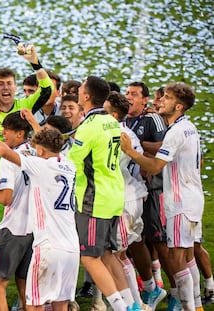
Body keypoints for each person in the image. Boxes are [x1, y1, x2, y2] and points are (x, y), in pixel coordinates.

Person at [0, 43, 53, 305]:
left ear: (15, 87)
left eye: (10, 83)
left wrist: (35, 63)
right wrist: (10, 150)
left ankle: (16, 296)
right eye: (1, 84)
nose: (6, 88)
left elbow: (47, 90)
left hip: (18, 190)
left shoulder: (22, 105)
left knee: (18, 247)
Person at [0, 125, 80, 311]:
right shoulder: (70, 166)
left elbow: (4, 152)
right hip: (71, 248)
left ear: (40, 150)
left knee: (34, 305)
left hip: (48, 246)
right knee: (60, 305)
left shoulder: (40, 165)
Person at [121, 82, 204, 311]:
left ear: (178, 106)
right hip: (193, 197)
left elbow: (156, 166)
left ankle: (189, 307)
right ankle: (196, 307)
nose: (160, 101)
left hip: (181, 202)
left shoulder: (176, 131)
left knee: (178, 260)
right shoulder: (189, 127)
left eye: (166, 97)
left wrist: (130, 151)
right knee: (187, 258)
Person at [67, 76, 127, 311]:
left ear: (86, 97)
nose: (78, 91)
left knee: (90, 257)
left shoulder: (89, 127)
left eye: (81, 89)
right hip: (113, 195)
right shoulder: (112, 122)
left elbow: (71, 163)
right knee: (108, 255)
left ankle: (120, 307)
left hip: (95, 199)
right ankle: (131, 305)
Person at [104, 92, 153, 310]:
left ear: (113, 114)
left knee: (117, 256)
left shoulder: (111, 133)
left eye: (102, 111)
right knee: (120, 255)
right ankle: (136, 303)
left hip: (122, 200)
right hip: (131, 195)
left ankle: (135, 304)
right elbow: (137, 164)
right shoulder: (129, 134)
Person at [125, 82, 170, 306]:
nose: (129, 97)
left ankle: (180, 292)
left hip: (154, 188)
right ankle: (151, 286)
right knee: (135, 240)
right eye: (127, 93)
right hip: (136, 190)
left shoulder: (151, 119)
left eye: (134, 94)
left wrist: (136, 144)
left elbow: (165, 145)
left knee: (159, 242)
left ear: (145, 100)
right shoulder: (125, 120)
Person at [0, 112, 35, 311]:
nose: (2, 133)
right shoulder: (39, 153)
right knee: (25, 285)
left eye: (7, 130)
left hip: (13, 230)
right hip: (34, 230)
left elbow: (6, 198)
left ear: (20, 134)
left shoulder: (9, 158)